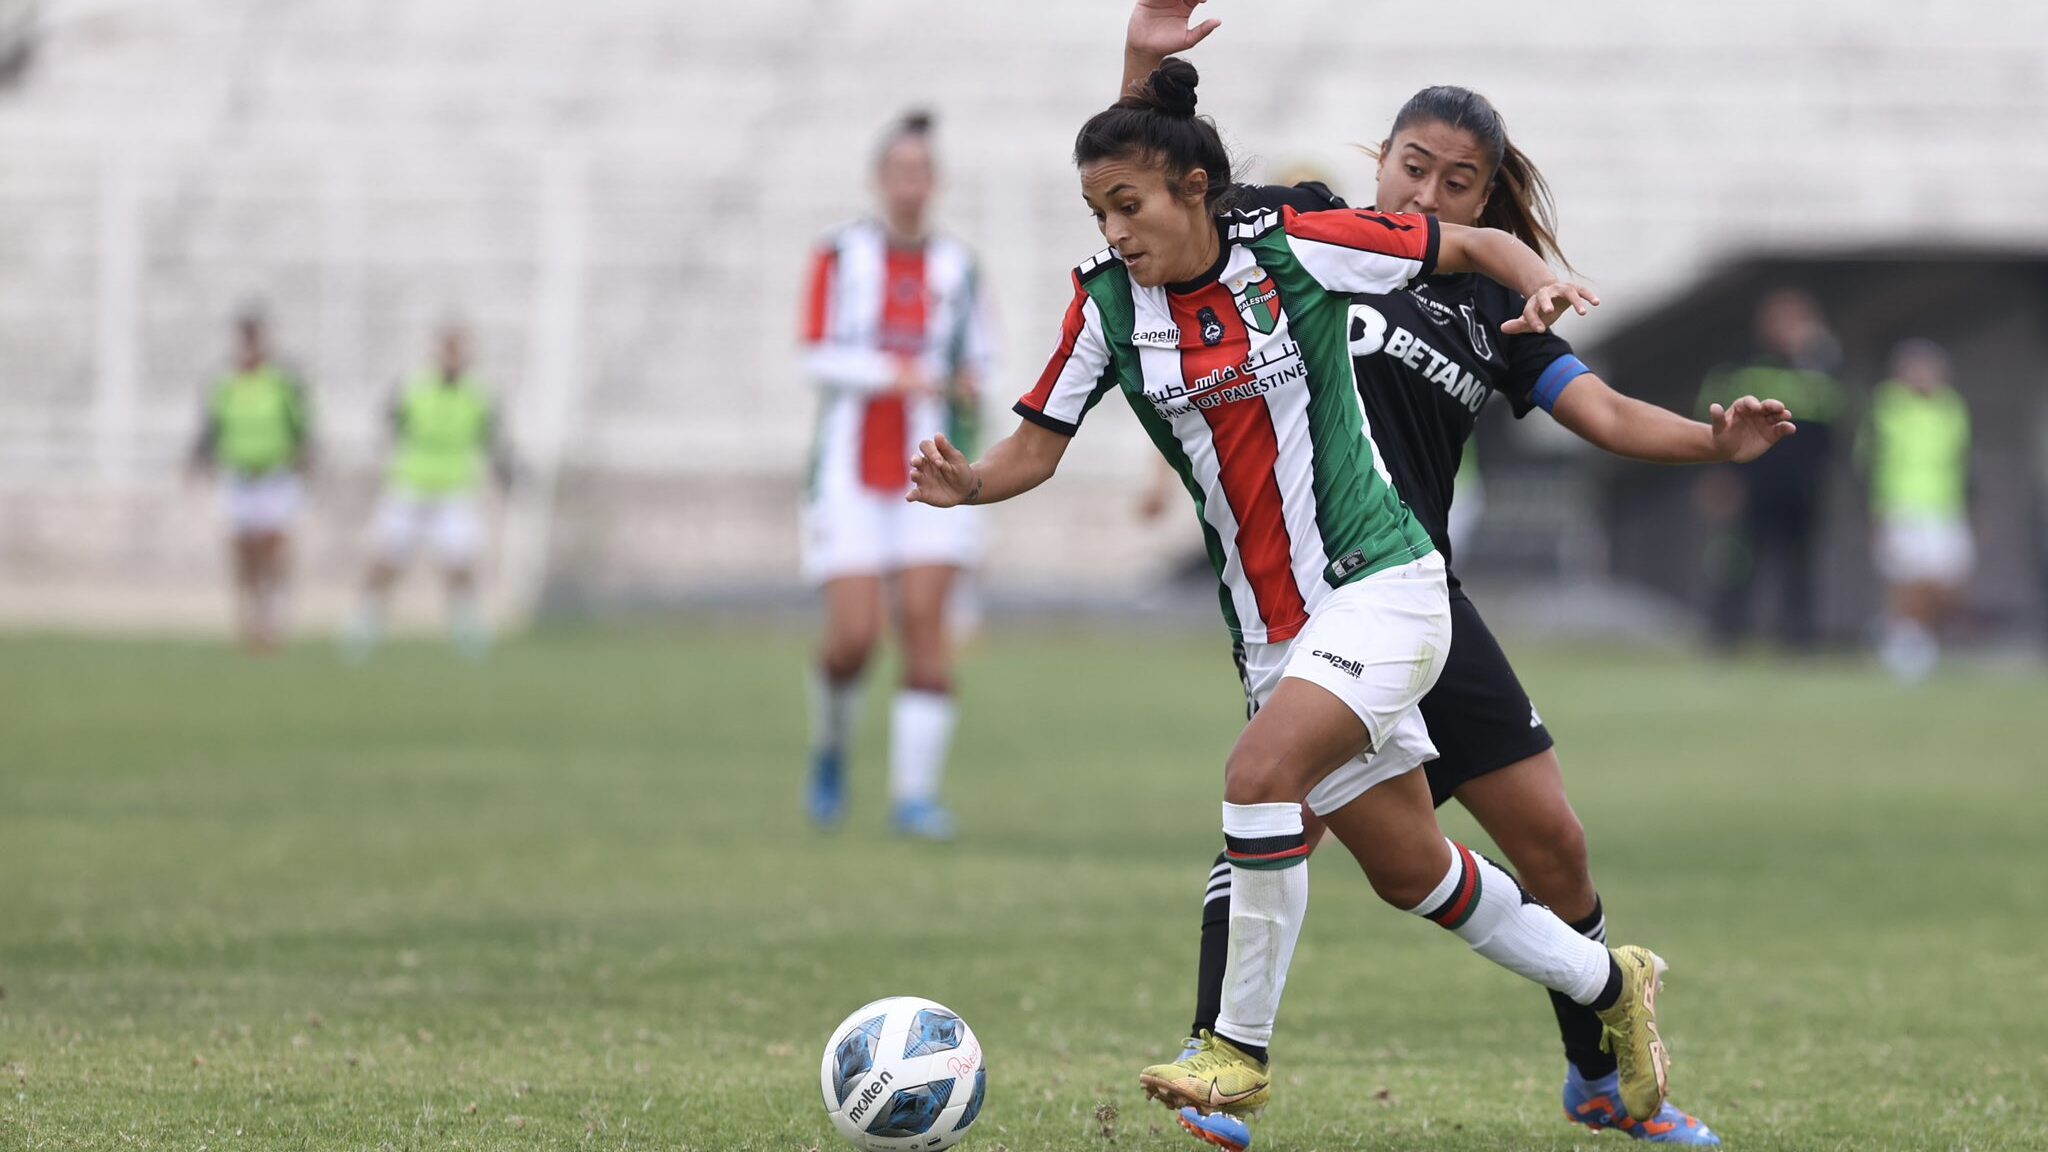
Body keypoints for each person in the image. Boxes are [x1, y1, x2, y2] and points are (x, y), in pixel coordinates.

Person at [908, 56, 1675, 1136]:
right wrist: (967, 484)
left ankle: (1231, 1058)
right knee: (1410, 871)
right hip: (1273, 631)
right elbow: (1035, 446)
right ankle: (1607, 983)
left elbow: (1481, 247)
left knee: (1259, 776)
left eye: (1127, 206)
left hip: (1385, 584)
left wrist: (1537, 280)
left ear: (1192, 193)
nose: (1113, 229)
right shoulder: (1106, 308)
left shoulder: (1296, 245)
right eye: (1098, 209)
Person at [1116, 5, 1796, 1147]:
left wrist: (1709, 441)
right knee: (1281, 807)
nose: (1426, 197)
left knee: (1552, 844)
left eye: (1458, 184)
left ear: (1486, 199)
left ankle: (1595, 1068)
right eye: (1412, 167)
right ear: (1376, 158)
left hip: (1418, 597)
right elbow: (1152, 180)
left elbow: (1602, 410)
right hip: (1314, 601)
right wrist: (1146, 65)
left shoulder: (1487, 302)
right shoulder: (1301, 229)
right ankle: (1220, 1074)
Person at [802, 110, 994, 840]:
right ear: (881, 180)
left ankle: (915, 795)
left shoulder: (957, 267)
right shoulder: (839, 256)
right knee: (853, 638)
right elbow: (814, 352)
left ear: (934, 183)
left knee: (923, 622)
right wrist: (893, 372)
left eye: (923, 173)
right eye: (900, 173)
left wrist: (968, 385)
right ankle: (830, 749)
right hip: (850, 471)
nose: (911, 186)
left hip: (931, 471)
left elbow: (984, 359)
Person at [343, 324, 515, 661]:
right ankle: (365, 628)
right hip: (410, 487)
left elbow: (492, 439)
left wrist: (505, 471)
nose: (452, 357)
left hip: (453, 490)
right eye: (447, 349)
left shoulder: (478, 395)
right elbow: (390, 425)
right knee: (386, 560)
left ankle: (466, 632)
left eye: (458, 349)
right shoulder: (413, 388)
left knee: (460, 563)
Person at [1698, 289, 1845, 649]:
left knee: (1799, 566)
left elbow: (1834, 424)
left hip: (1802, 488)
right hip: (1753, 485)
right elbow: (1713, 420)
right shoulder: (1743, 363)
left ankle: (1798, 639)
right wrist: (1720, 475)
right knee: (1739, 562)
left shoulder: (1819, 368)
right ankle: (1727, 636)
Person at [187, 310, 311, 654]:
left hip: (274, 474)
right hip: (239, 475)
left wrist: (305, 458)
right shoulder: (225, 382)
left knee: (273, 547)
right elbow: (211, 427)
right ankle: (249, 614)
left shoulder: (282, 381)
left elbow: (301, 424)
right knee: (243, 551)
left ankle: (272, 613)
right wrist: (199, 461)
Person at [1863, 338, 1972, 681]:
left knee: (1949, 581)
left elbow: (1967, 462)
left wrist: (1971, 506)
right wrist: (1873, 510)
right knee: (1907, 581)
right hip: (1900, 505)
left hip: (1945, 505)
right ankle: (1908, 648)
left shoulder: (1952, 408)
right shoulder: (1887, 406)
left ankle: (1895, 631)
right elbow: (1866, 462)